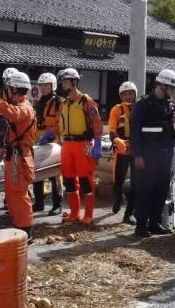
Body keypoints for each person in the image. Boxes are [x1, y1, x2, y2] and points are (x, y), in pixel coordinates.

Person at [131, 69, 175, 237]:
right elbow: (135, 132)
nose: (174, 92)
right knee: (145, 190)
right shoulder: (143, 104)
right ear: (163, 86)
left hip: (166, 155)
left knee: (161, 189)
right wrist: (137, 155)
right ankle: (141, 225)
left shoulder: (171, 106)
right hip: (147, 155)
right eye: (172, 88)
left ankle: (155, 222)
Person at [38, 68, 102, 225]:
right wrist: (48, 135)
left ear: (75, 82)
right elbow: (59, 125)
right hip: (66, 145)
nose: (63, 85)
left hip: (82, 145)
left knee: (86, 180)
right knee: (69, 181)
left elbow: (97, 123)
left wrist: (98, 144)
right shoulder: (64, 104)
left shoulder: (86, 101)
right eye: (62, 82)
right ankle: (74, 213)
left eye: (66, 81)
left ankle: (88, 215)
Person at [0, 71, 36, 239]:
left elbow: (14, 114)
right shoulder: (18, 107)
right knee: (11, 193)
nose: (6, 91)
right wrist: (2, 151)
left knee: (19, 194)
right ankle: (17, 225)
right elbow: (12, 133)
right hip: (13, 156)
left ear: (14, 89)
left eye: (8, 88)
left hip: (20, 159)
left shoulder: (25, 108)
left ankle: (26, 229)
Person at [32, 72, 63, 215]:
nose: (43, 88)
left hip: (53, 142)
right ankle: (39, 202)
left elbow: (60, 123)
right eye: (41, 85)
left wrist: (49, 135)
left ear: (53, 86)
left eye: (46, 85)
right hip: (38, 141)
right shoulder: (39, 102)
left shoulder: (59, 102)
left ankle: (58, 204)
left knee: (54, 174)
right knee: (37, 173)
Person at [109, 81, 137, 224]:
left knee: (136, 182)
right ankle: (118, 199)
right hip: (121, 149)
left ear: (135, 94)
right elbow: (112, 130)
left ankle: (129, 214)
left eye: (130, 94)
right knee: (118, 180)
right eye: (125, 94)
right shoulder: (116, 110)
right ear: (121, 96)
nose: (128, 96)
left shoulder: (139, 108)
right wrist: (118, 141)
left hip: (136, 150)